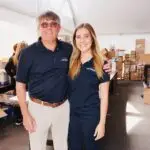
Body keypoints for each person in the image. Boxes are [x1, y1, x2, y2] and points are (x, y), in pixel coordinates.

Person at [16, 11, 111, 150]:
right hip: (38, 109)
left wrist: (106, 64)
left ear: (59, 28)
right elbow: (20, 86)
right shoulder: (28, 53)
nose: (49, 28)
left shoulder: (68, 50)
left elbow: (89, 58)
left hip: (63, 108)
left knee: (63, 146)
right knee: (38, 147)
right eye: (44, 24)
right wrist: (25, 114)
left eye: (53, 24)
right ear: (39, 28)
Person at [68, 23, 110, 150]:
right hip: (72, 115)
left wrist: (102, 123)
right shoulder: (71, 60)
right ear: (75, 40)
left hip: (91, 115)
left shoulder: (101, 63)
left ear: (92, 38)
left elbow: (104, 97)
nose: (82, 41)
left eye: (86, 36)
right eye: (78, 37)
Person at [5, 41, 28, 125]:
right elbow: (7, 68)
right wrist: (13, 75)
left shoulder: (26, 57)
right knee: (18, 100)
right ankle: (19, 118)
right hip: (17, 83)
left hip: (26, 83)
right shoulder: (13, 58)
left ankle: (24, 117)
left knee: (26, 99)